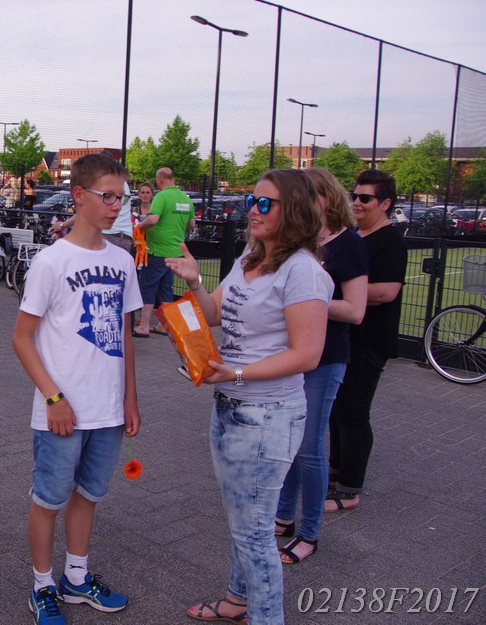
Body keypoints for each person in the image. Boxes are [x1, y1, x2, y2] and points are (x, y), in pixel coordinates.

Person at [165, 168, 332, 625]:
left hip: (266, 415)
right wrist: (195, 283)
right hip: (230, 408)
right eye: (250, 202)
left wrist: (237, 373)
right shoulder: (249, 256)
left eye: (264, 204)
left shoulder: (303, 271)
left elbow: (307, 354)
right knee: (245, 525)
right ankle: (237, 602)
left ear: (293, 210)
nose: (252, 211)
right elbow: (214, 313)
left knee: (255, 535)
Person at [12, 153, 141, 624]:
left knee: (88, 495)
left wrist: (130, 398)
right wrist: (53, 397)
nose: (115, 206)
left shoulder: (122, 260)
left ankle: (77, 577)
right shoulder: (51, 262)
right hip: (62, 410)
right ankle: (42, 585)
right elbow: (21, 338)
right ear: (79, 195)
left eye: (121, 198)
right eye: (107, 196)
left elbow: (125, 334)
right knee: (48, 499)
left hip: (107, 408)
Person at [275, 168, 368, 564]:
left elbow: (356, 310)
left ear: (329, 197)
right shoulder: (302, 240)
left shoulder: (348, 244)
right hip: (294, 353)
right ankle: (284, 516)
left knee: (309, 447)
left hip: (326, 359)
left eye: (311, 193)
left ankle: (309, 533)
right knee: (290, 441)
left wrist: (309, 297)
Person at [326, 169, 407, 513]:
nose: (356, 203)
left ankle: (350, 489)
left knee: (354, 411)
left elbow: (387, 291)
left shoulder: (390, 241)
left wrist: (343, 291)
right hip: (344, 337)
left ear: (385, 203)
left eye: (365, 198)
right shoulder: (355, 236)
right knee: (336, 408)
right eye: (354, 196)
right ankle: (335, 471)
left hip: (370, 340)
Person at [134, 167, 195, 337]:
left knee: (148, 286)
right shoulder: (185, 199)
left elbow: (153, 219)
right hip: (176, 251)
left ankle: (144, 326)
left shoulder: (162, 196)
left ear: (160, 179)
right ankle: (164, 325)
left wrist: (140, 227)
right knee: (166, 288)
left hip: (157, 250)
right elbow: (191, 224)